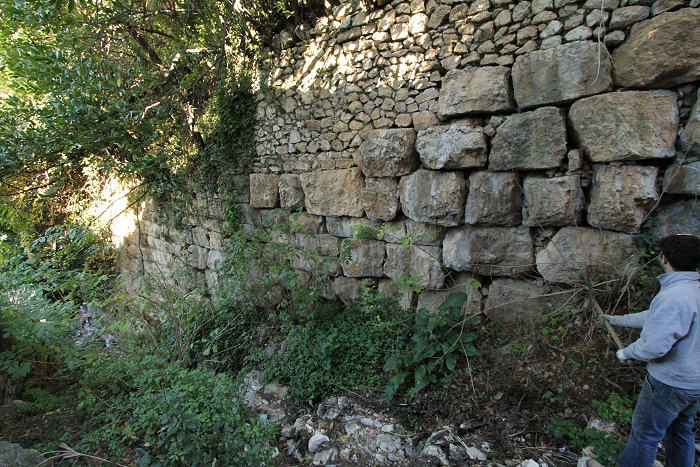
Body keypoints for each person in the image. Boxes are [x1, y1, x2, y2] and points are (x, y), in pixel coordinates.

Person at [604, 234, 700, 467]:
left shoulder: (674, 296)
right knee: (681, 431)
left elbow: (653, 346)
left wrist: (626, 353)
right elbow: (656, 317)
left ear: (665, 258)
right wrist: (618, 320)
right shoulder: (692, 290)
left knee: (645, 436)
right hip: (694, 383)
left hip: (670, 383)